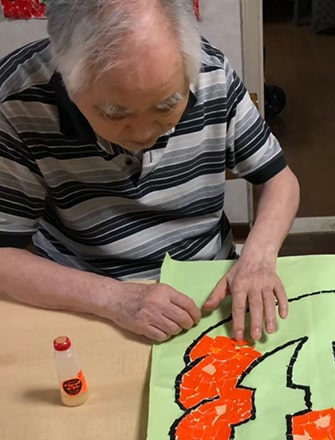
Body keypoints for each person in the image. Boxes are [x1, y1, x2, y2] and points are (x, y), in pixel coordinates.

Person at [0, 0, 300, 342]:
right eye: (115, 113)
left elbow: (279, 180)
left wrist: (257, 258)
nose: (143, 134)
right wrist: (113, 298)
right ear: (67, 79)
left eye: (167, 104)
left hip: (205, 283)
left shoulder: (211, 73)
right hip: (85, 298)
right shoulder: (15, 102)